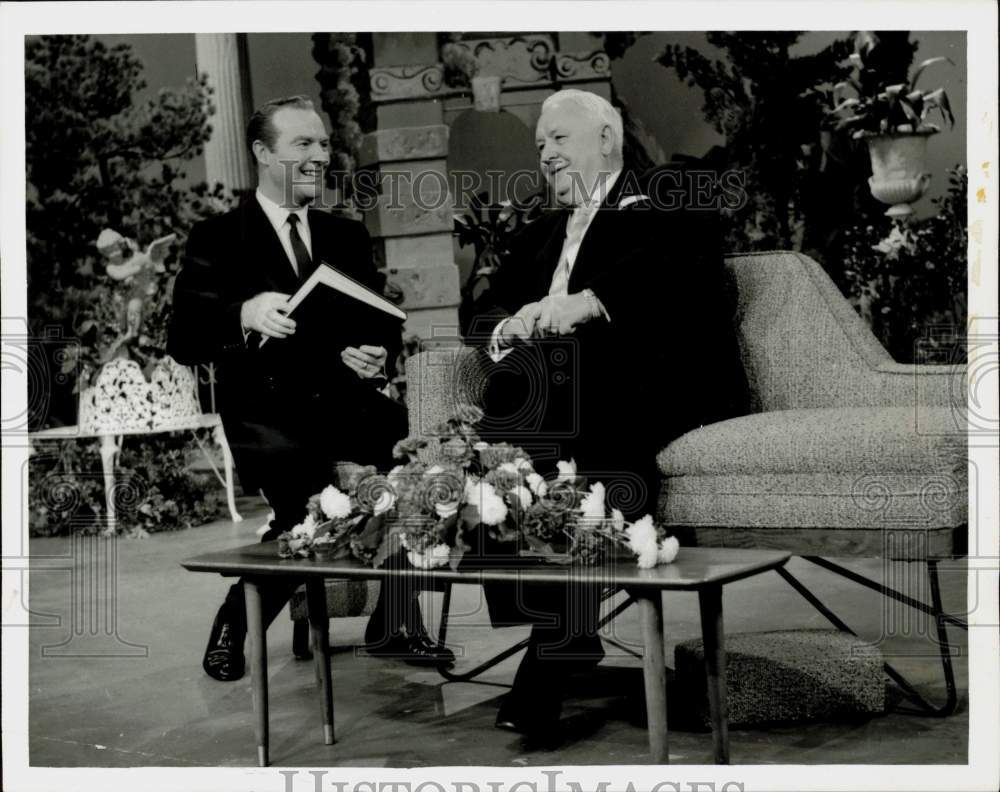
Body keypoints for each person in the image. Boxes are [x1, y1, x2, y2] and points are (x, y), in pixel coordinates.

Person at [468, 89, 748, 737]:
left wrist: (589, 301)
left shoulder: (668, 194)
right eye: (539, 145)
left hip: (650, 380)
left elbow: (684, 269)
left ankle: (555, 648)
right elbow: (483, 303)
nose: (545, 155)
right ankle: (562, 631)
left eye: (558, 139)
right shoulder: (543, 229)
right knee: (503, 443)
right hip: (562, 394)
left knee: (577, 432)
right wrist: (505, 324)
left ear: (605, 139)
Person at [168, 95, 453, 682]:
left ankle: (395, 623)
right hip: (265, 411)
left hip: (342, 399)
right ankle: (234, 624)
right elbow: (183, 336)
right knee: (309, 508)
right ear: (263, 153)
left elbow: (378, 320)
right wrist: (244, 312)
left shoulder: (345, 235)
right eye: (304, 144)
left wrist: (375, 352)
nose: (321, 155)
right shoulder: (217, 237)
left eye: (323, 144)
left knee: (431, 468)